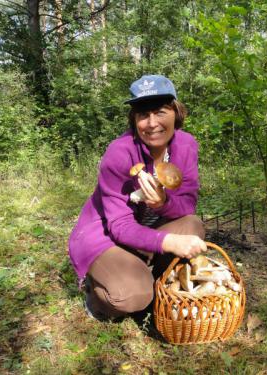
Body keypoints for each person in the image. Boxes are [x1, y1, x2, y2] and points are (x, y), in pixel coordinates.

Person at [68, 74, 207, 320]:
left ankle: (158, 284)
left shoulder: (186, 146)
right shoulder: (120, 153)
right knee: (132, 295)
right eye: (143, 114)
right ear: (134, 120)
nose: (152, 123)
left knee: (192, 225)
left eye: (160, 111)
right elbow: (120, 226)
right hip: (107, 235)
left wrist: (164, 203)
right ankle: (96, 295)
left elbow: (188, 203)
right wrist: (169, 242)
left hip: (146, 233)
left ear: (176, 111)